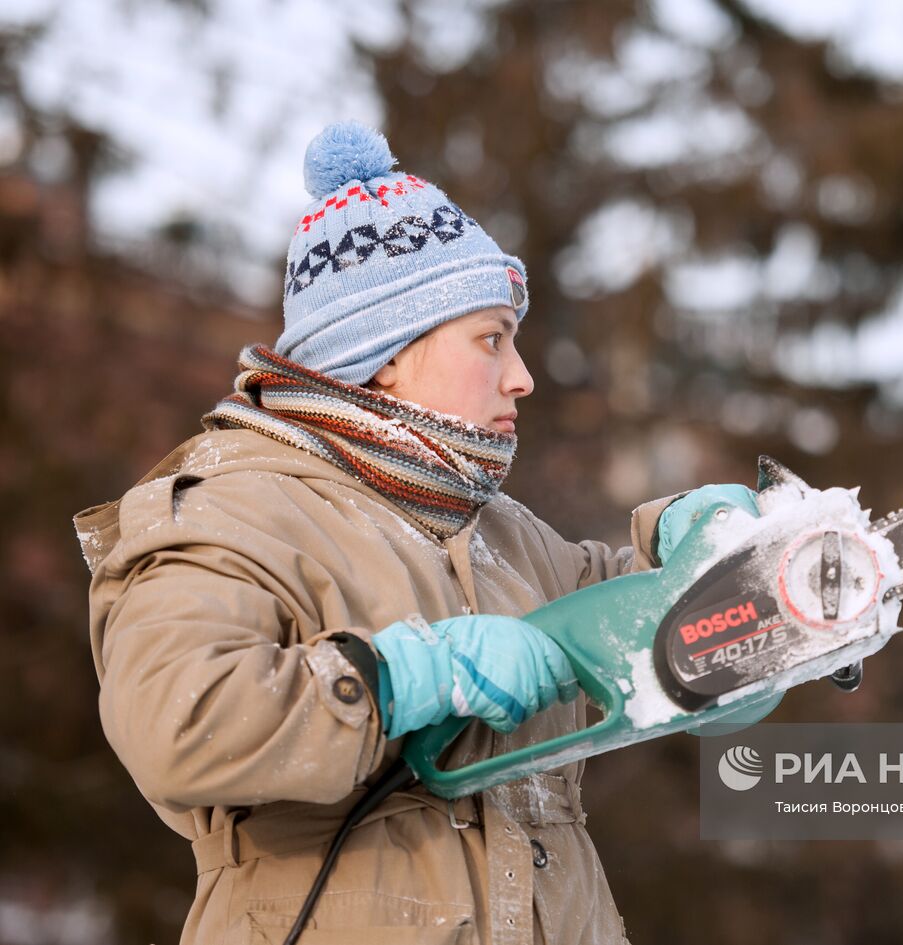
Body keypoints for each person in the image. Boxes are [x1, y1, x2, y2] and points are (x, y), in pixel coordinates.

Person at [73, 121, 764, 945]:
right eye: (491, 339)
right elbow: (175, 720)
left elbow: (638, 628)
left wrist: (731, 584)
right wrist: (404, 676)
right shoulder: (228, 511)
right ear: (387, 354)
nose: (523, 376)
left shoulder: (507, 538)